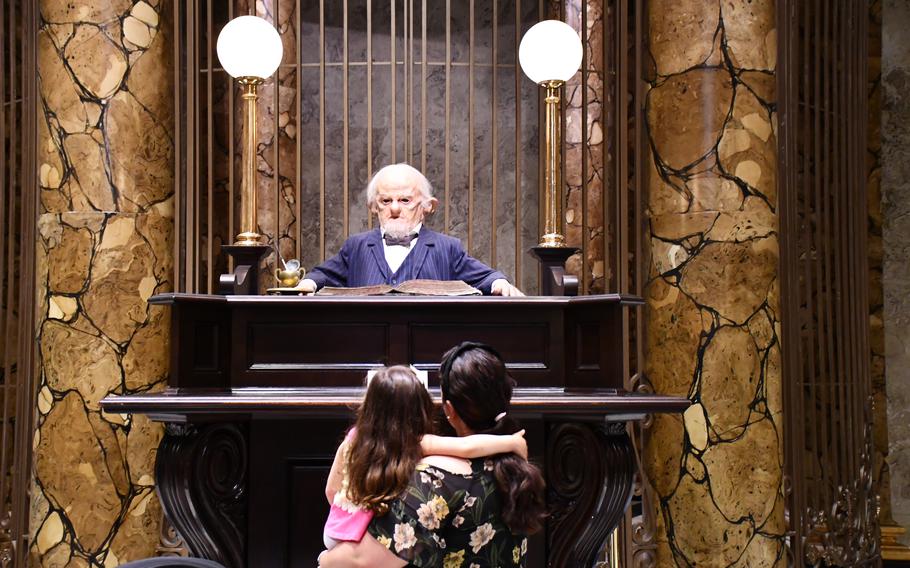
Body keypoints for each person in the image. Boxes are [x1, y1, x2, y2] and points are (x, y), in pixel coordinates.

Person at [320, 343, 547, 568]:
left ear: (448, 410)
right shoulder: (515, 467)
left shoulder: (434, 478)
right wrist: (513, 442)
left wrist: (326, 559)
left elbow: (363, 559)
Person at [298, 163, 524, 296]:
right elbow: (323, 275)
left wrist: (499, 283)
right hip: (367, 352)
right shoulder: (356, 246)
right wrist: (308, 284)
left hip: (428, 354)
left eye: (405, 200)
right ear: (374, 207)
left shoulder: (447, 248)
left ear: (428, 206)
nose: (394, 209)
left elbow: (485, 277)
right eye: (386, 201)